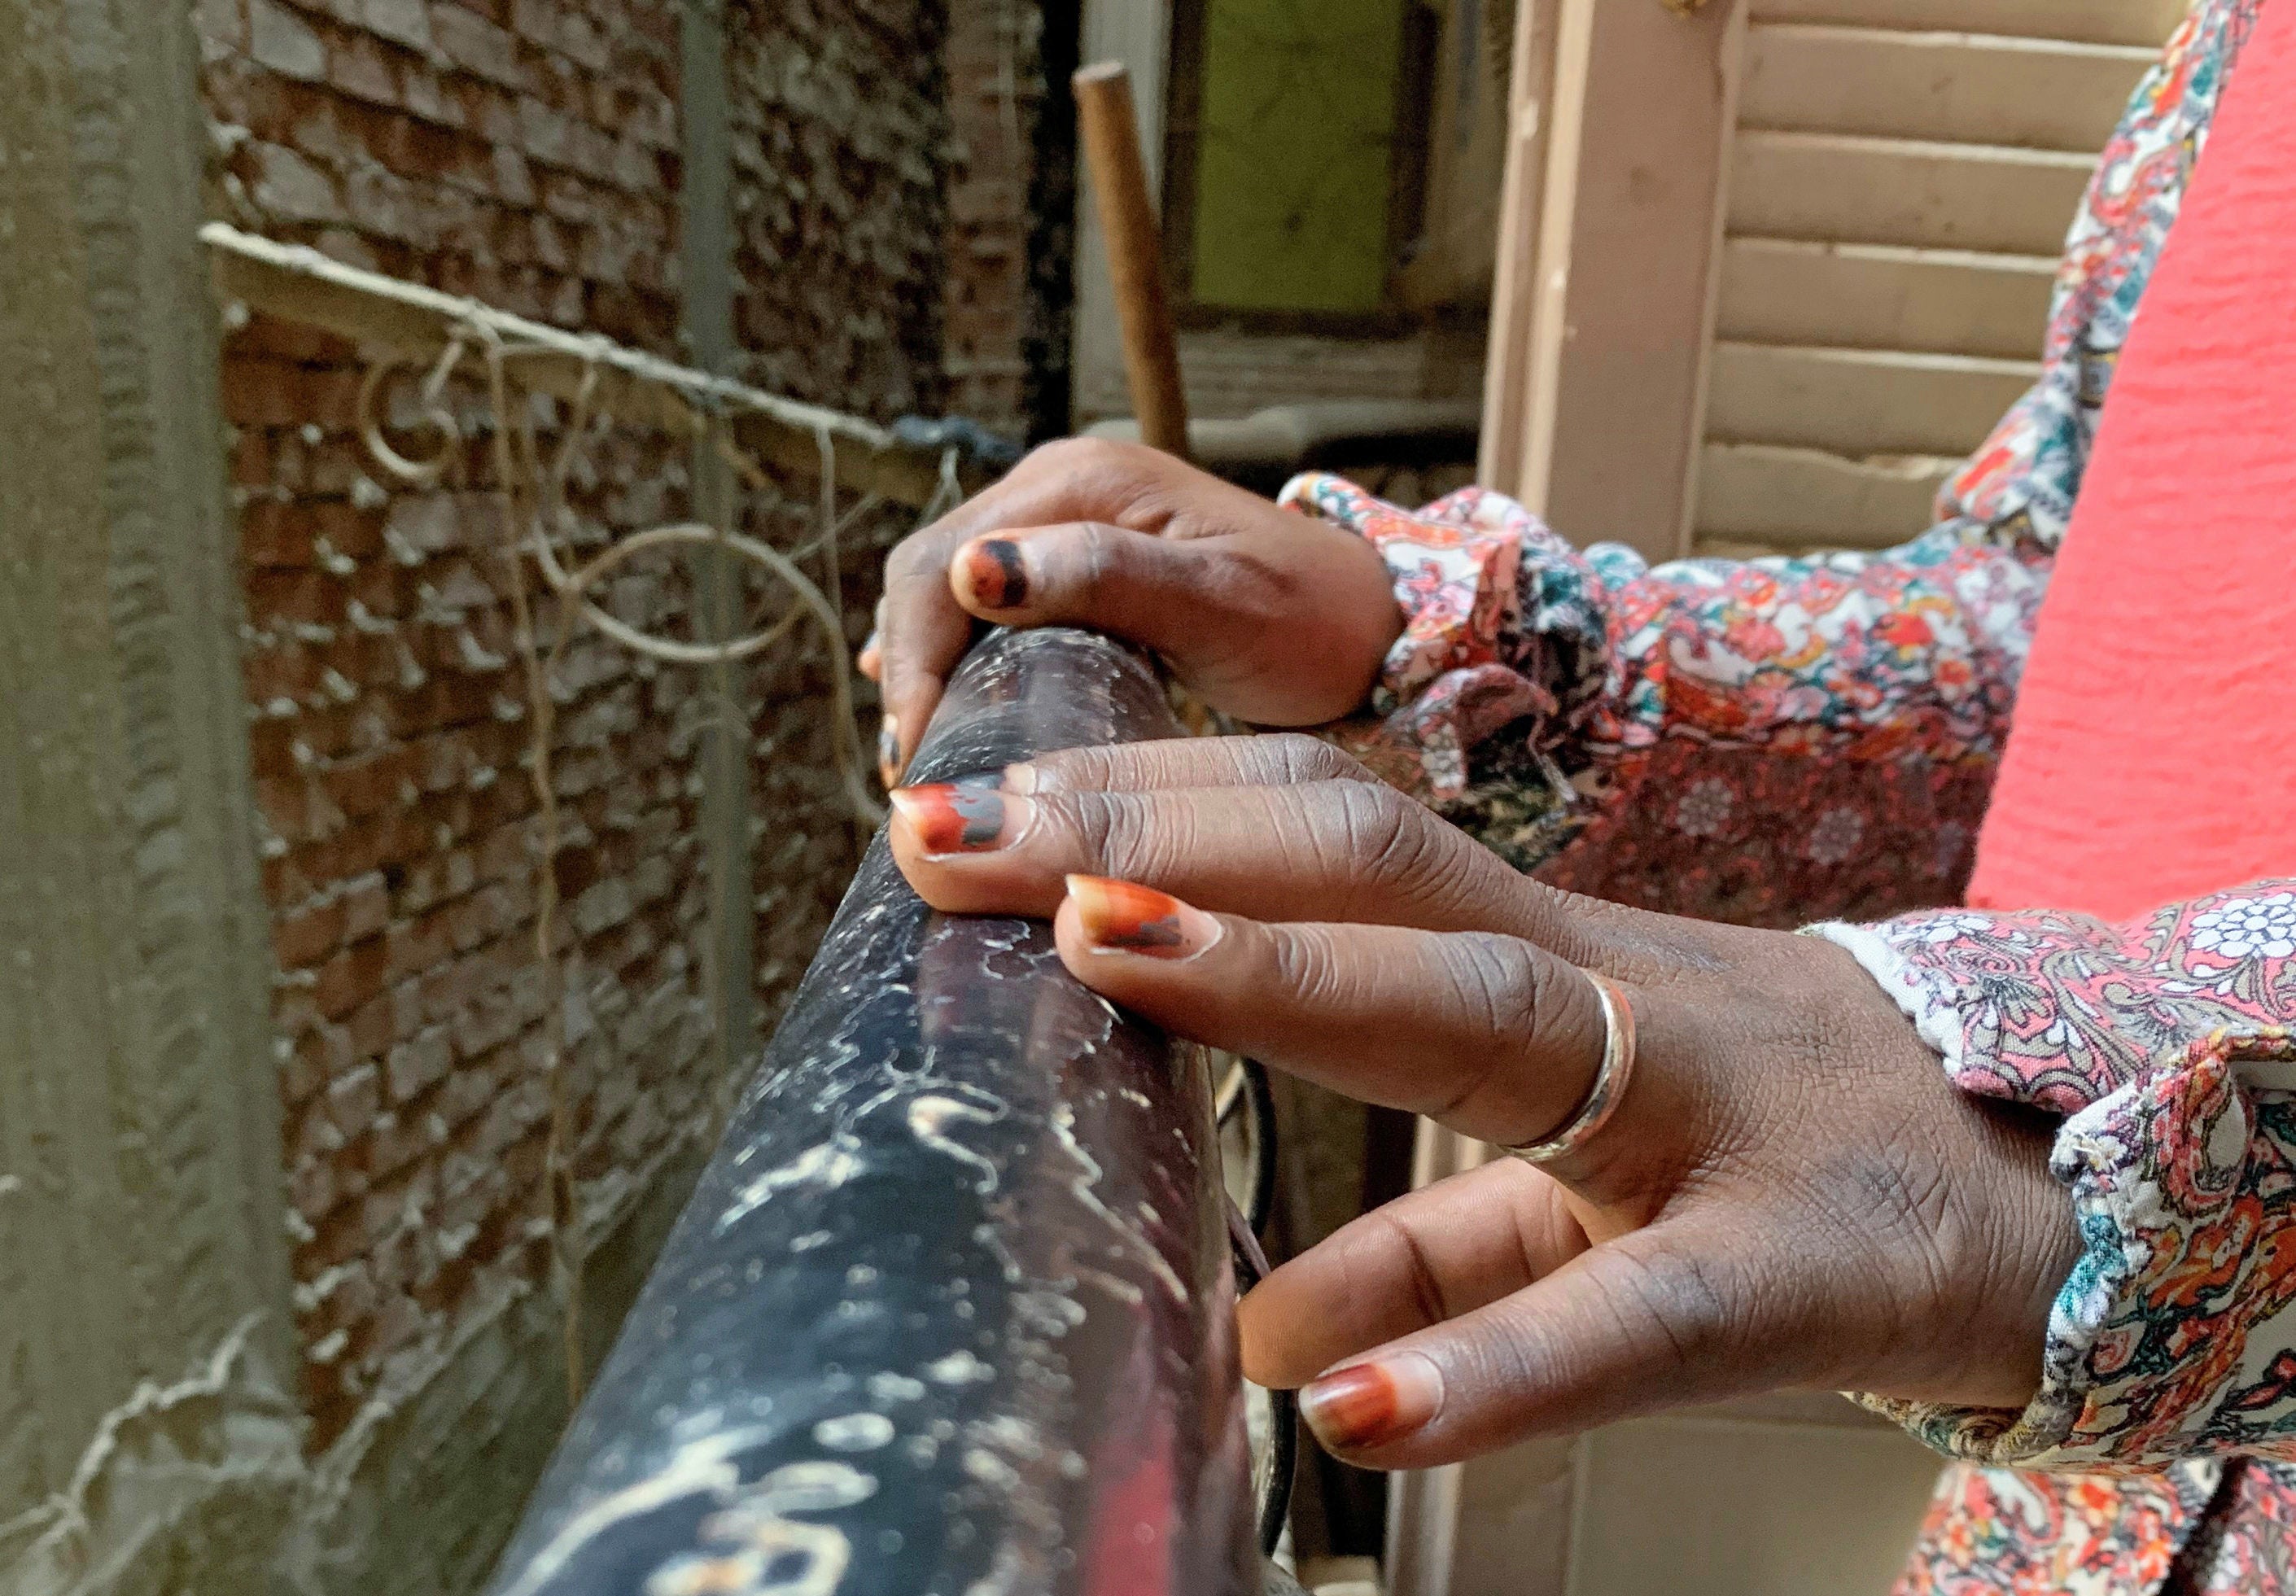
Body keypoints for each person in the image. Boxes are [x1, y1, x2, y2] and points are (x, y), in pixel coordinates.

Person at [865, 2, 2296, 1589]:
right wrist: (1452, 652)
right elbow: (2067, 618)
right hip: (2035, 1526)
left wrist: (2153, 1144)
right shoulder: (2233, 45)